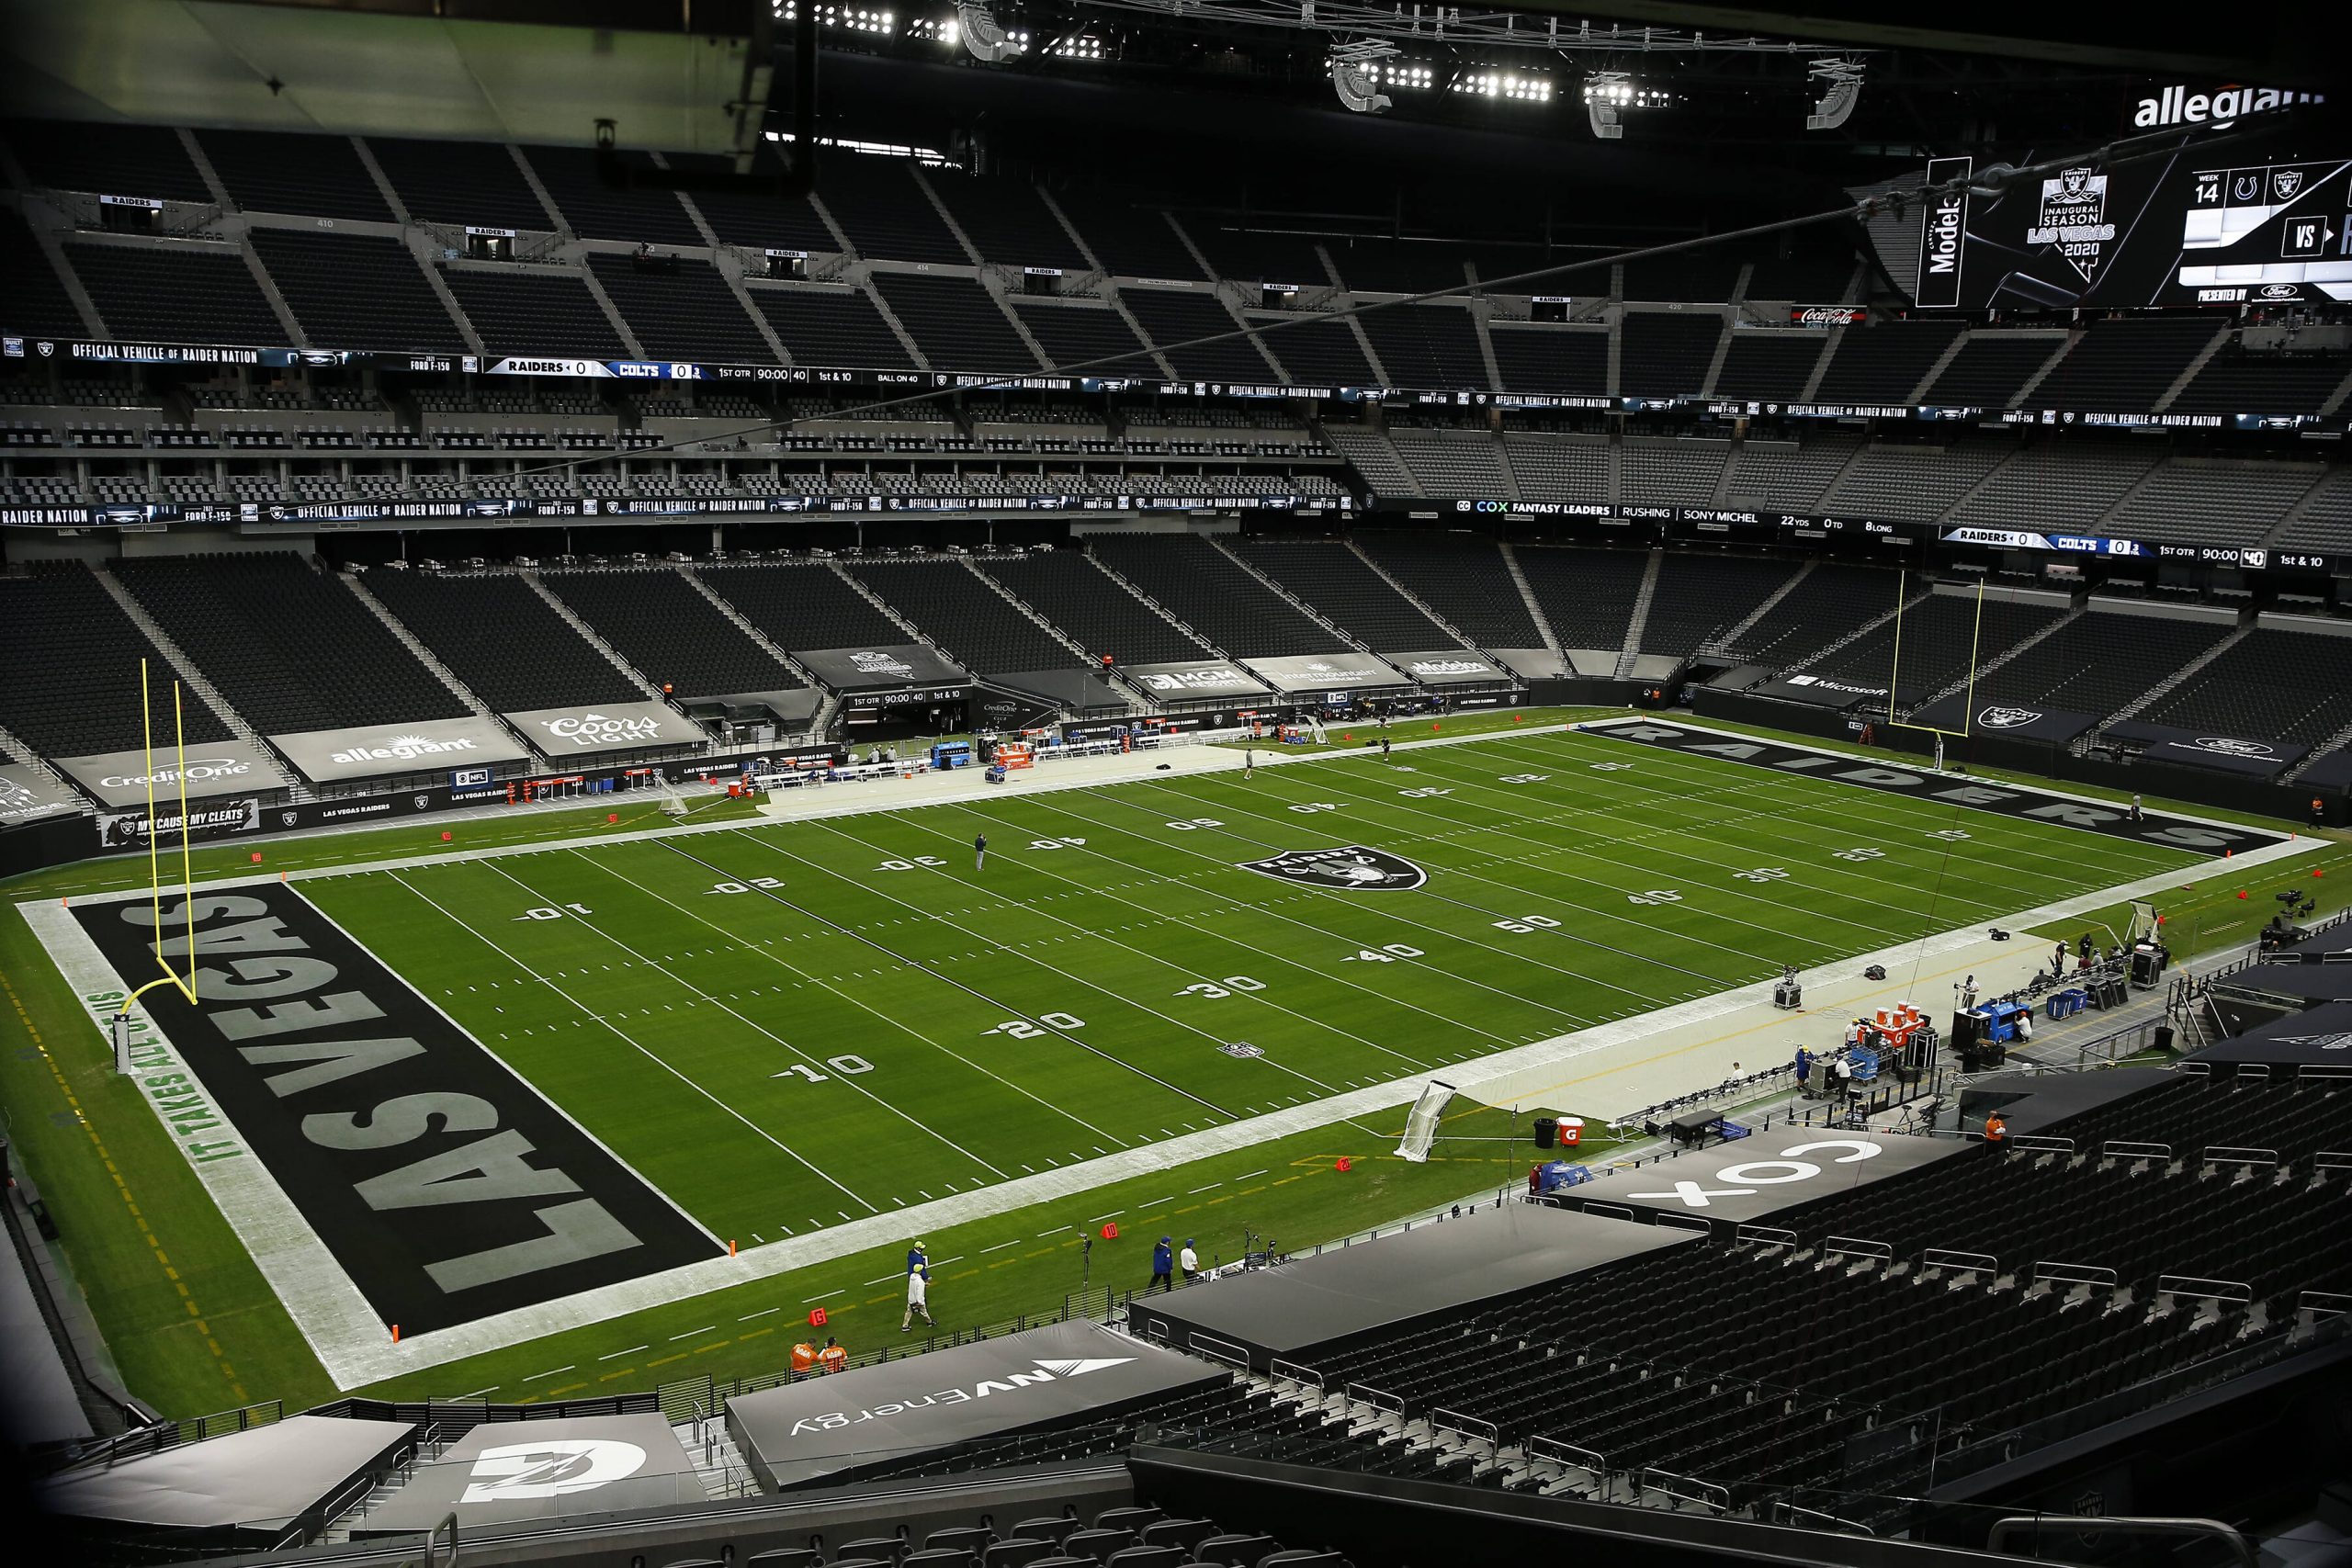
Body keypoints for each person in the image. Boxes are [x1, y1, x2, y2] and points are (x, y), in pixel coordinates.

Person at [901, 1262, 933, 1333]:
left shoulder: (912, 1276)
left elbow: (915, 1285)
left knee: (908, 1312)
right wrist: (920, 1303)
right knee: (924, 1312)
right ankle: (929, 1322)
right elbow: (920, 1293)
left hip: (911, 1299)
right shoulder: (920, 1282)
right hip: (917, 1301)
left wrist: (924, 1284)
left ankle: (905, 1326)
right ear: (920, 1271)